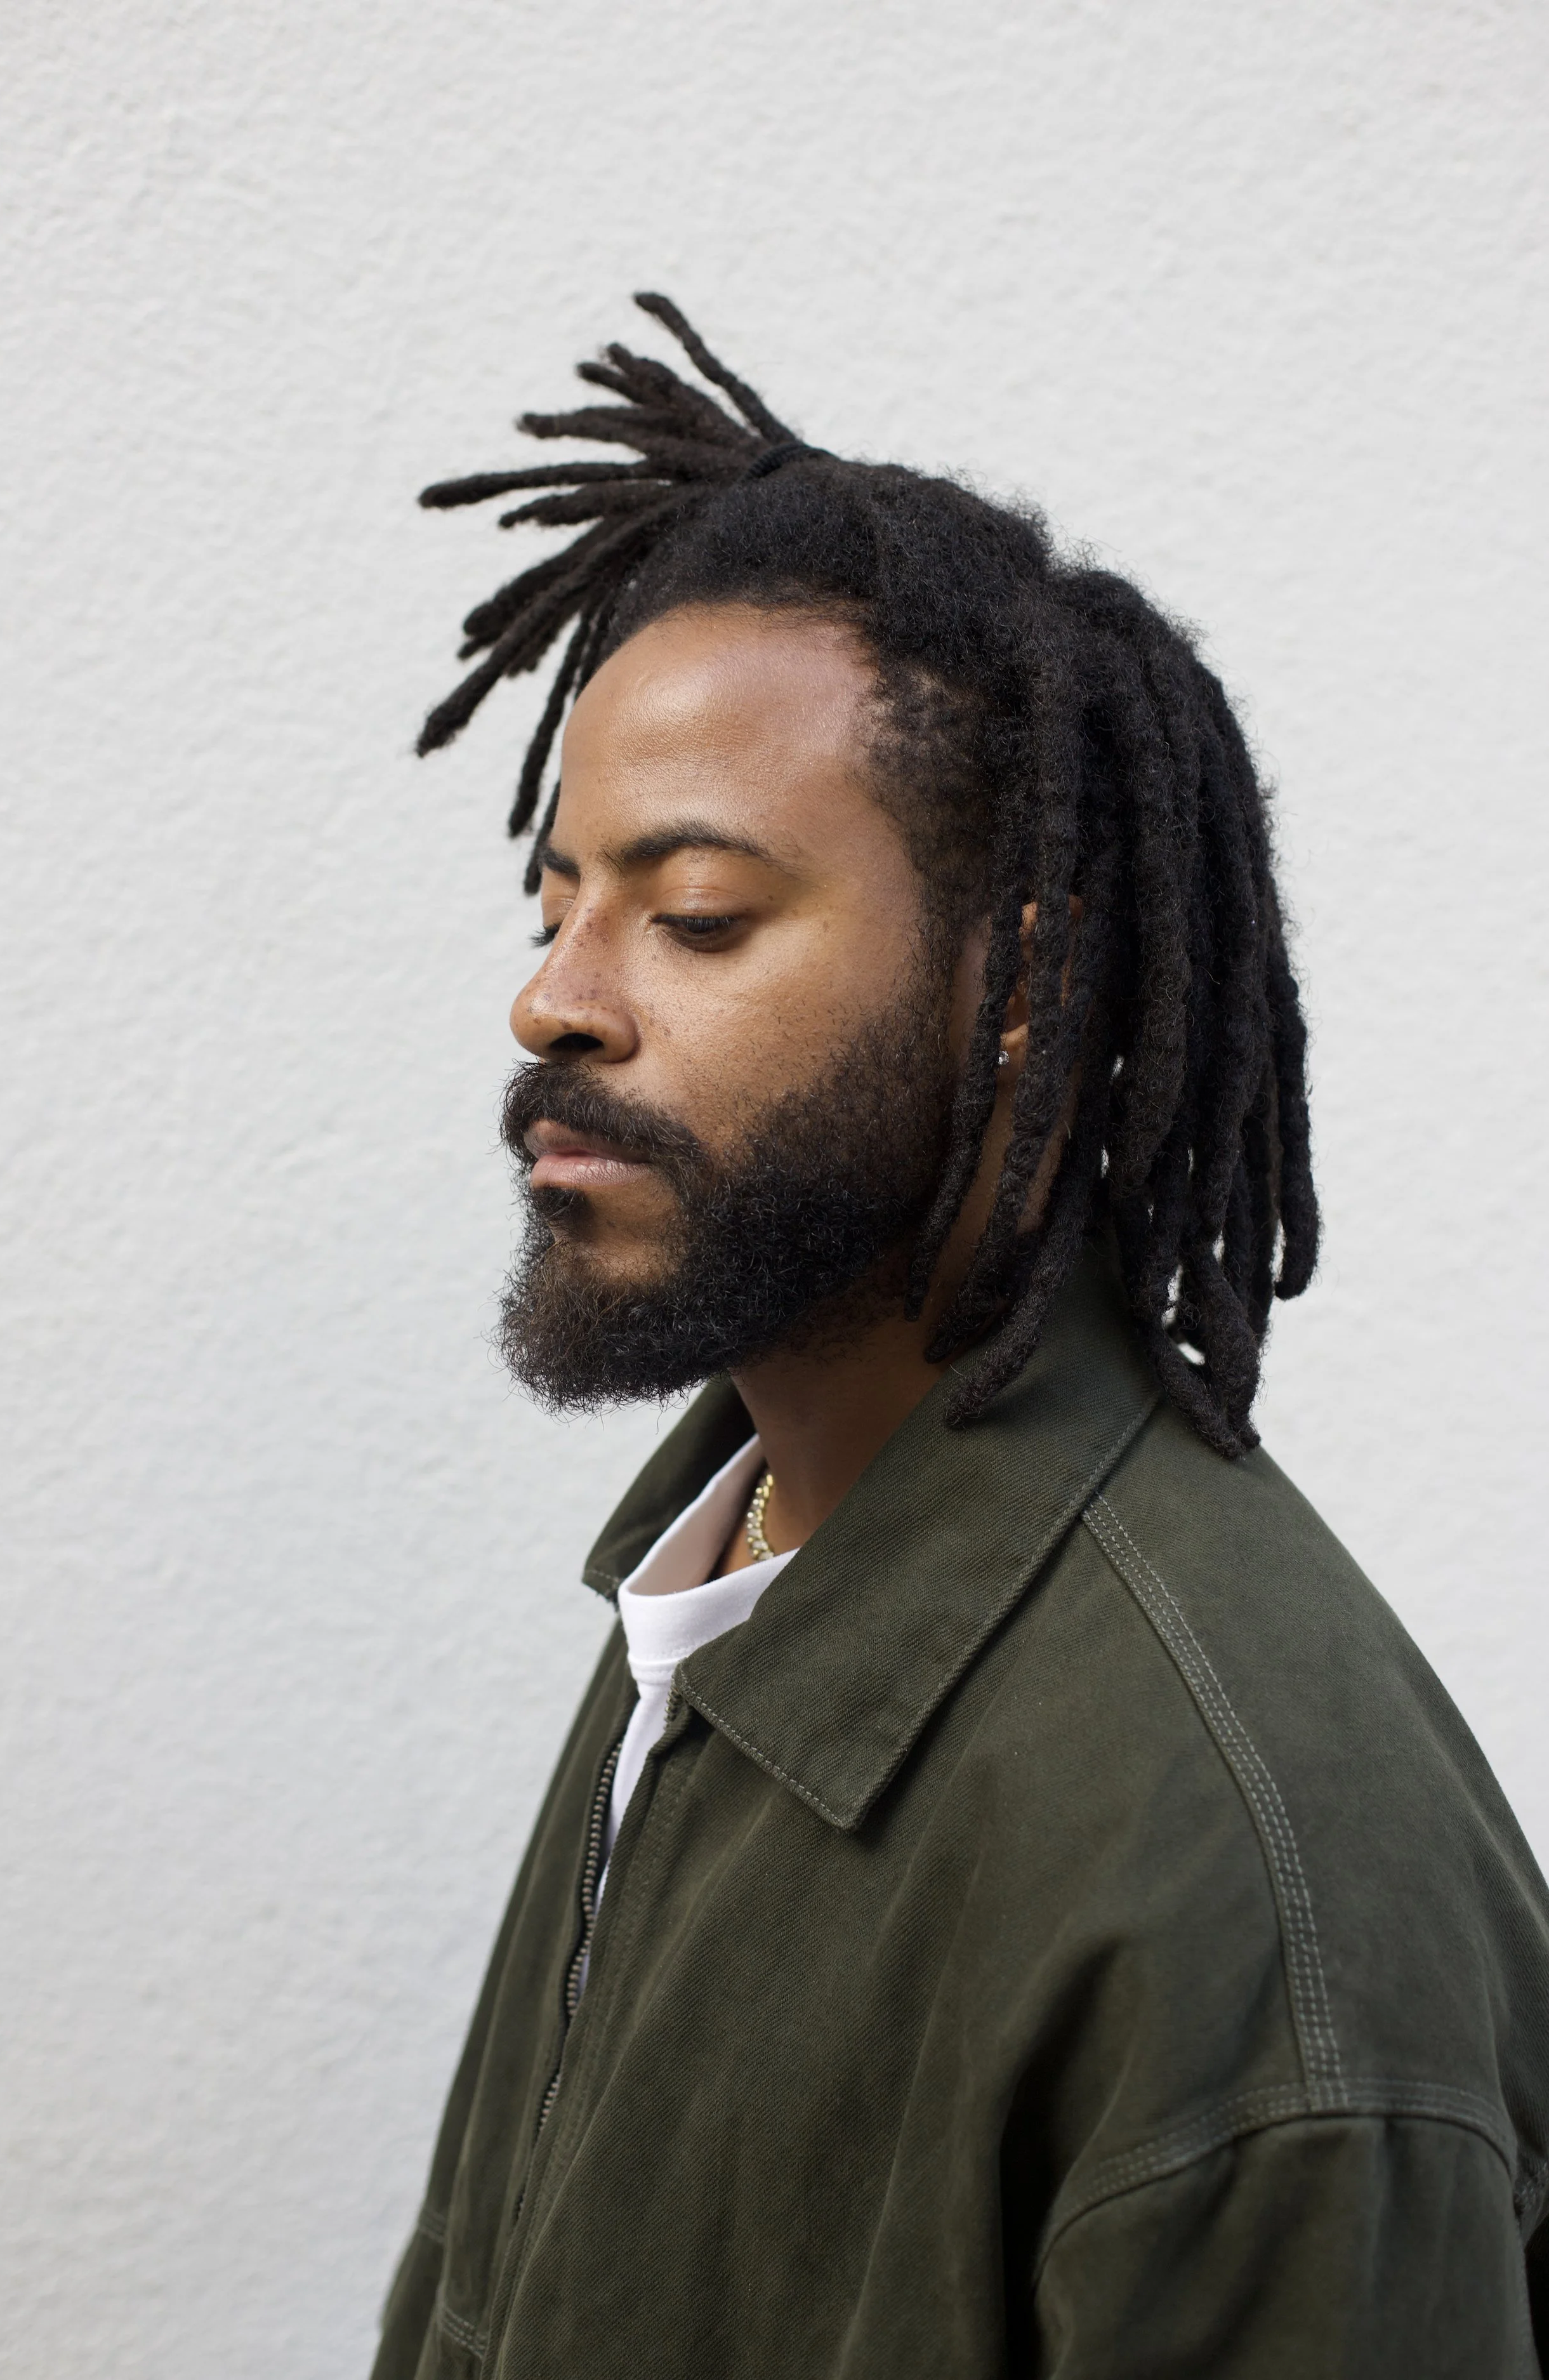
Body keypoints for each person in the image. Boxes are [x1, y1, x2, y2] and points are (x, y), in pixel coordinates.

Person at [372, 295, 1549, 2377]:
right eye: (555, 896)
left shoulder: (1241, 1873)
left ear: (1017, 989)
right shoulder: (726, 1579)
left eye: (697, 911)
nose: (556, 999)